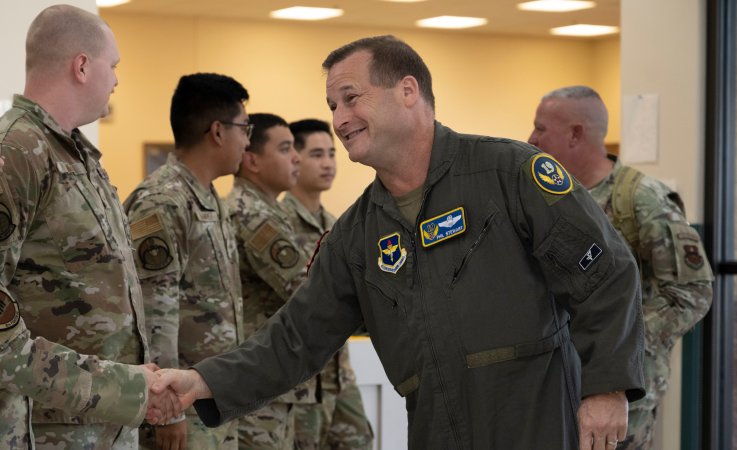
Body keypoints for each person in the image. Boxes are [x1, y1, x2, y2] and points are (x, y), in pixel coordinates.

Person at [152, 35, 645, 450]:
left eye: (351, 98)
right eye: (332, 106)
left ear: (408, 90)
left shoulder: (509, 174)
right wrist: (204, 381)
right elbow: (295, 338)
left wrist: (607, 388)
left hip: (536, 427)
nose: (339, 119)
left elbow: (606, 275)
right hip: (437, 432)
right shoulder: (356, 235)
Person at [0, 5, 182, 450]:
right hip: (46, 430)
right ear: (82, 66)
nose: (117, 80)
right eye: (113, 66)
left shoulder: (77, 155)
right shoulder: (17, 152)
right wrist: (120, 389)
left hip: (103, 427)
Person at [528, 85, 714, 450]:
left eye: (541, 129)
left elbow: (692, 292)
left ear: (576, 134)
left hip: (621, 397)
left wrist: (621, 341)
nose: (531, 139)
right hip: (556, 385)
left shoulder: (640, 198)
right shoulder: (548, 197)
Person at [124, 73, 250, 450]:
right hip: (182, 404)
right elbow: (154, 313)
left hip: (213, 397)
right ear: (217, 131)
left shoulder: (209, 198)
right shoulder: (164, 201)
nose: (248, 139)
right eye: (245, 127)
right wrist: (169, 410)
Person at [226, 112, 319, 448]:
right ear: (252, 160)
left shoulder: (266, 209)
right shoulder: (253, 214)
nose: (296, 158)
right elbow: (305, 288)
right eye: (284, 149)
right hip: (260, 381)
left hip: (267, 377)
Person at [282, 118, 373, 449]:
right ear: (294, 158)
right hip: (302, 382)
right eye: (317, 154)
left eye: (332, 154)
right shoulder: (280, 224)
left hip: (338, 375)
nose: (328, 163)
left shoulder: (336, 225)